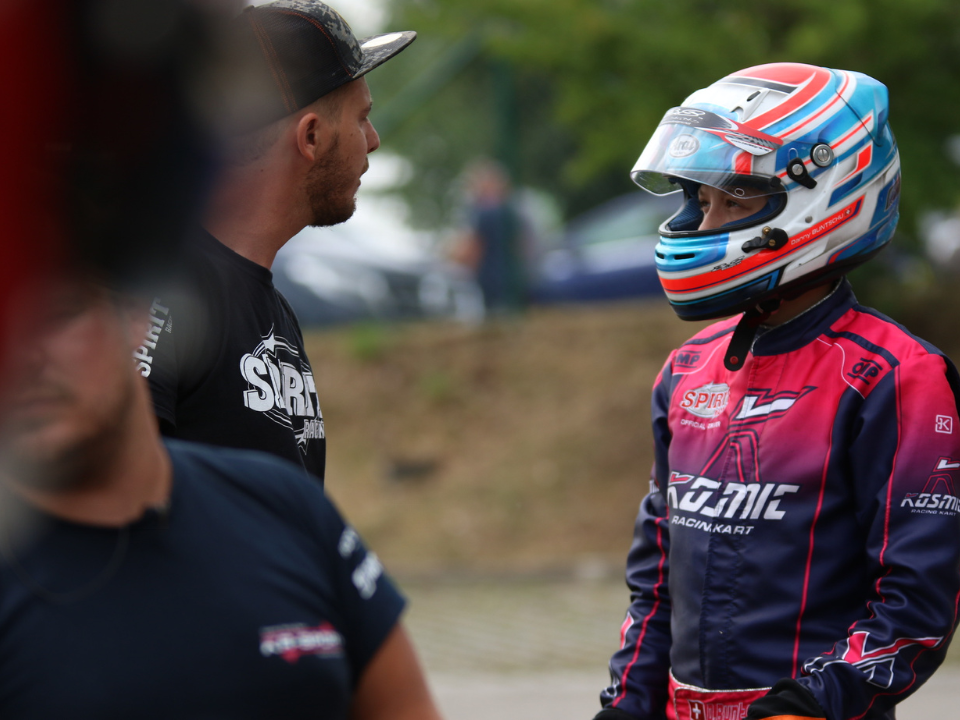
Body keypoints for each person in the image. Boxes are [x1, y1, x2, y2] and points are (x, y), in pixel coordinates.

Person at [594, 63, 960, 720]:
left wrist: (807, 707)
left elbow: (917, 598)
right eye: (701, 200)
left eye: (734, 201)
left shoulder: (896, 376)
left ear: (824, 199)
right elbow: (656, 585)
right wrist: (625, 706)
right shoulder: (687, 369)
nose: (706, 222)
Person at [0, 276, 442, 720]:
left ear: (137, 316)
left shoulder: (284, 504)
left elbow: (405, 705)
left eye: (54, 317)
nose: (23, 357)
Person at [141, 0, 417, 481]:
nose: (372, 139)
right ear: (310, 137)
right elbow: (106, 499)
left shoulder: (272, 308)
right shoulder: (164, 290)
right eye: (361, 118)